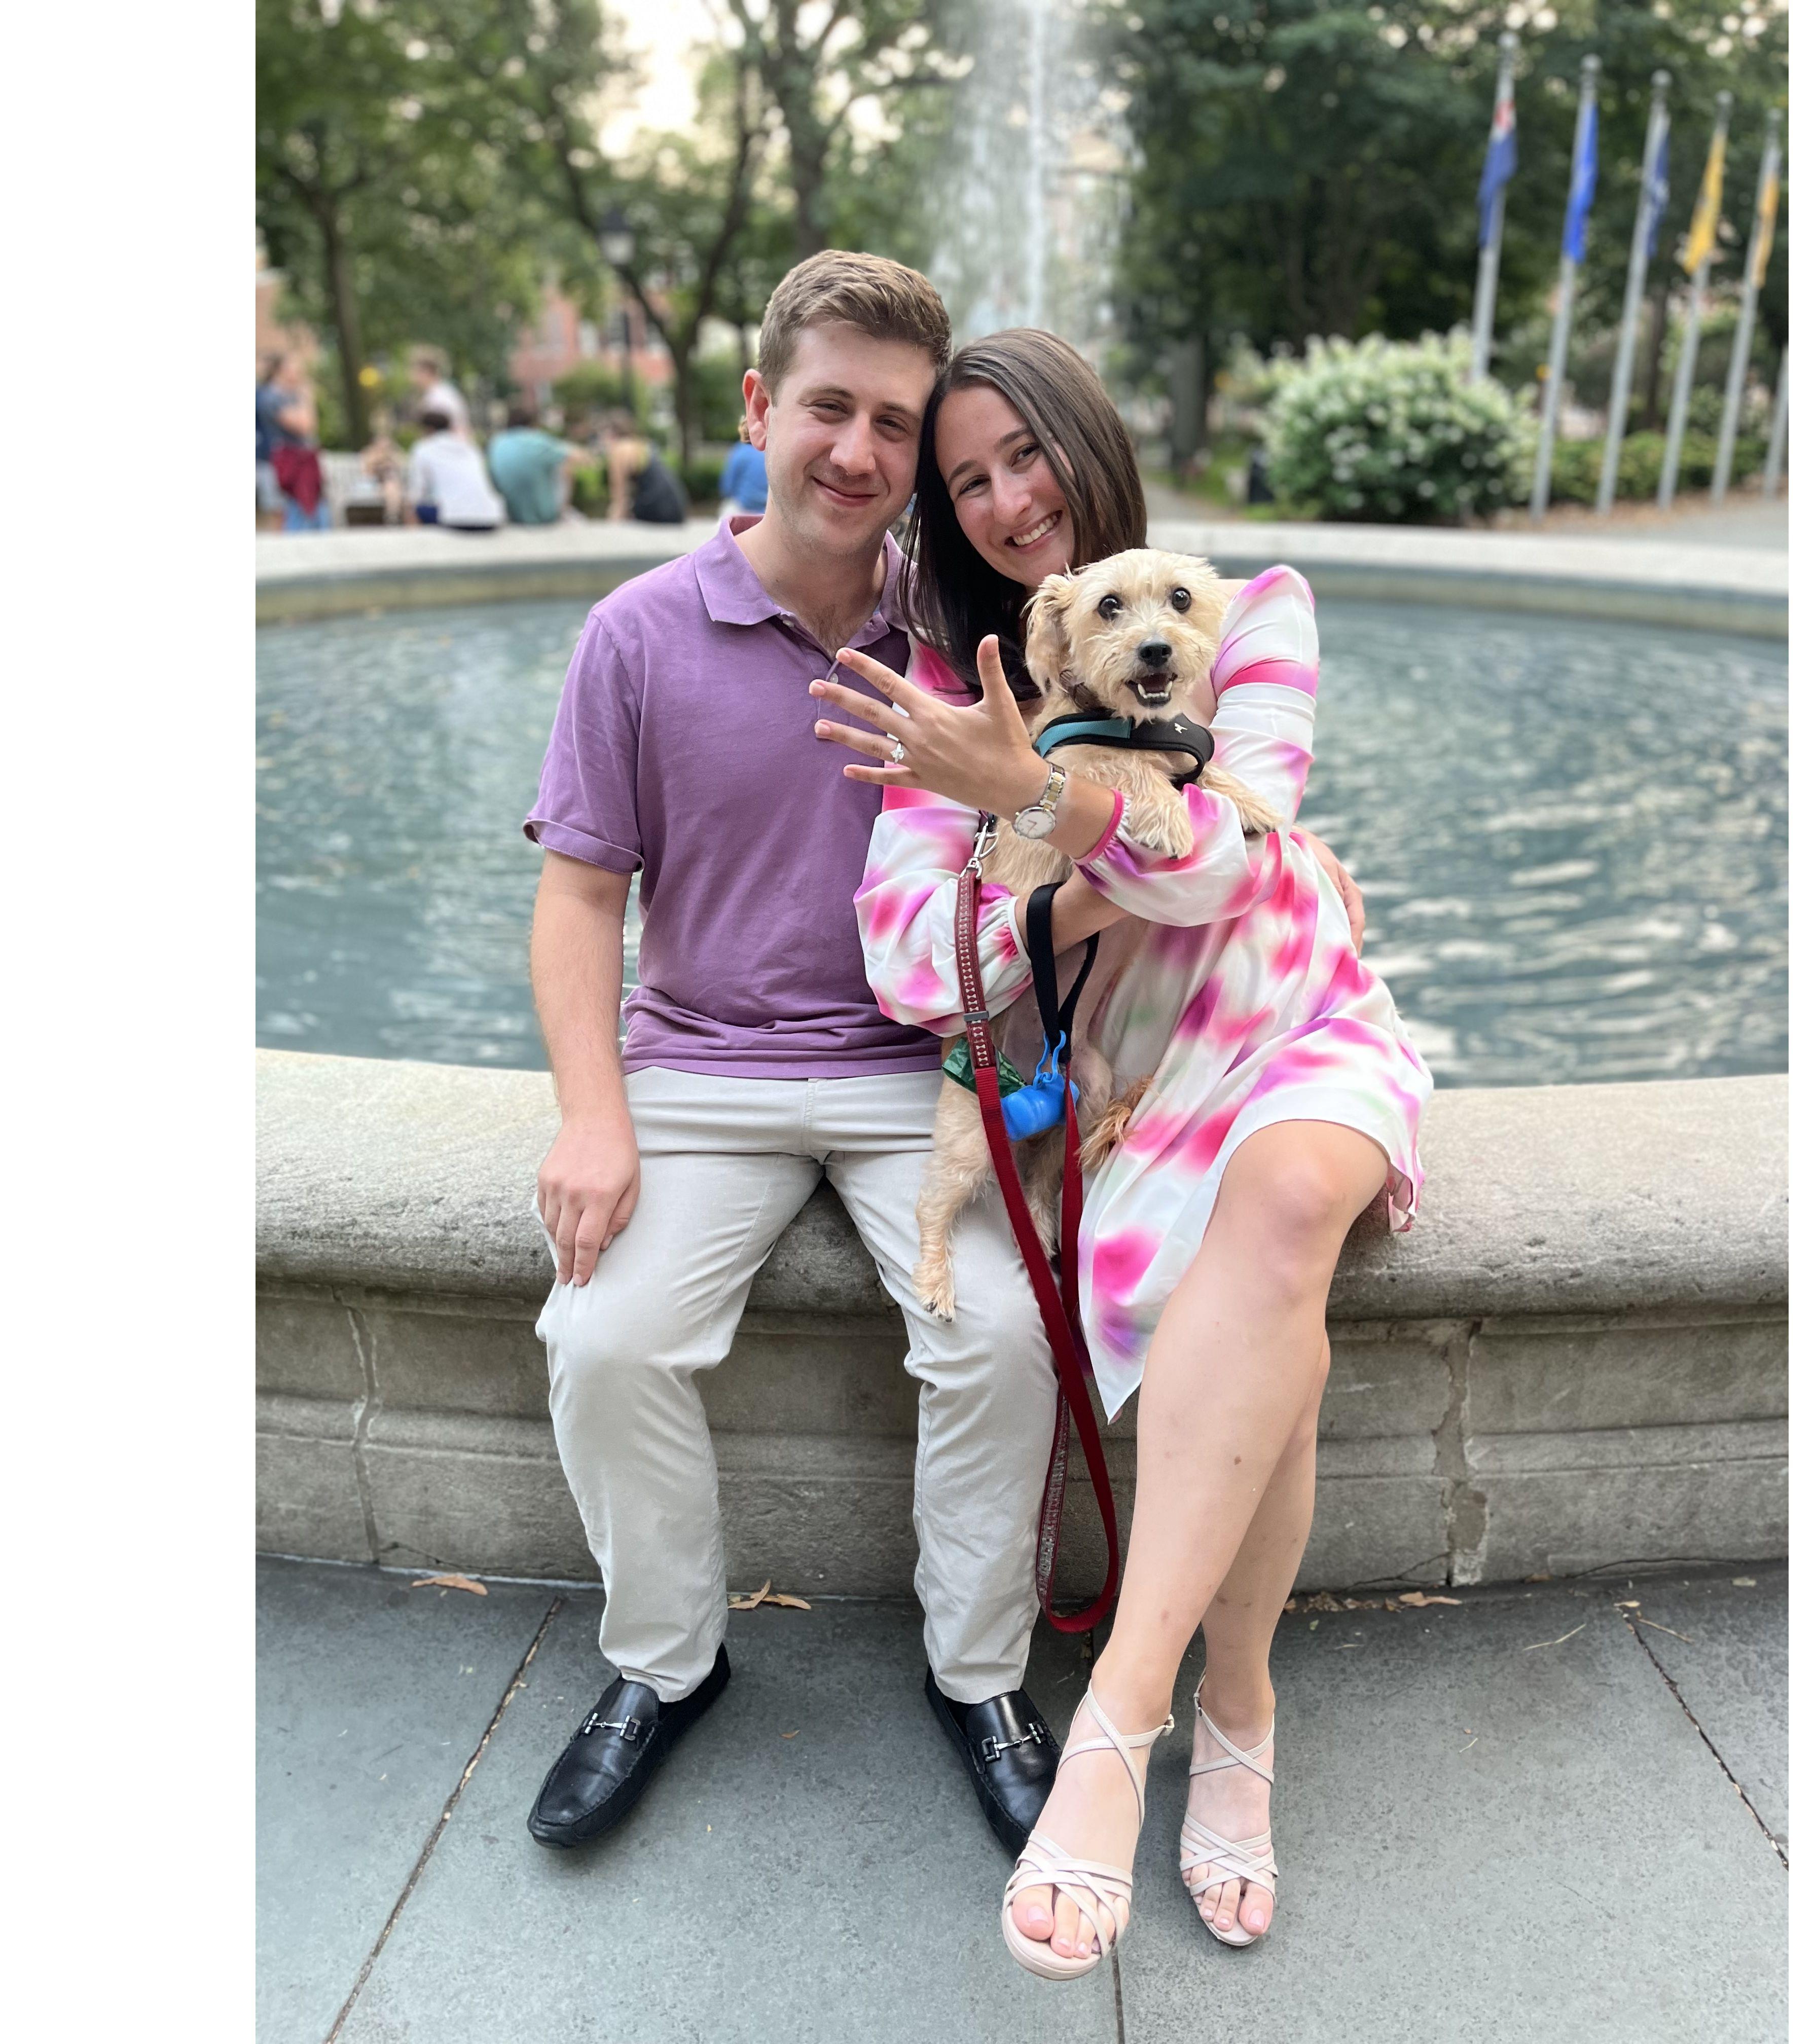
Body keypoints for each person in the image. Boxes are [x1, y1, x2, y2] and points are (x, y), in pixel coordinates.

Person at [811, 327, 1430, 1974]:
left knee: (1294, 1183)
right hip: (1141, 1079)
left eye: (1032, 453)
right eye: (969, 481)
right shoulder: (958, 704)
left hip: (1292, 1015)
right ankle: (1242, 1702)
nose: (1012, 497)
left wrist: (1040, 816)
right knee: (1265, 1256)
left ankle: (1121, 1716)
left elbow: (1240, 856)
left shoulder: (1262, 607)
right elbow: (902, 964)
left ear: (1092, 442)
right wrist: (1066, 844)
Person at [517, 251, 1072, 1859]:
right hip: (698, 1070)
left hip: (924, 1071)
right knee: (602, 1338)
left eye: (897, 424)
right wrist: (592, 1116)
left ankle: (980, 1679)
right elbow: (577, 900)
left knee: (1009, 1347)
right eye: (830, 407)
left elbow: (1069, 839)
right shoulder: (636, 634)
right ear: (762, 407)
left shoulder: (966, 633)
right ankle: (664, 1666)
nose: (860, 452)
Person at [489, 404, 595, 525]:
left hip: (508, 513)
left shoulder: (497, 442)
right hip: (543, 516)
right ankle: (563, 512)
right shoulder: (538, 441)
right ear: (533, 424)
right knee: (564, 465)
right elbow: (579, 456)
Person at [405, 410, 504, 531]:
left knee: (413, 509)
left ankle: (418, 546)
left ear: (428, 429)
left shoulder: (423, 448)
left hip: (455, 518)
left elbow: (416, 493)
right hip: (492, 517)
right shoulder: (470, 447)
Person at [266, 354, 330, 533]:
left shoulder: (292, 395)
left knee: (314, 510)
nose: (299, 374)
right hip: (290, 463)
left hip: (306, 461)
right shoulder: (273, 397)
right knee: (294, 511)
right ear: (281, 371)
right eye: (294, 369)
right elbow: (305, 426)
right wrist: (307, 398)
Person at [600, 411, 687, 524]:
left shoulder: (619, 450)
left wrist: (612, 523)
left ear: (611, 434)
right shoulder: (642, 444)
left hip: (658, 509)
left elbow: (620, 496)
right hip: (677, 508)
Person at [256, 353, 290, 530]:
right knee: (275, 506)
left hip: (275, 456)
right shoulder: (265, 395)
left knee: (278, 506)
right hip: (267, 456)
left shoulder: (270, 393)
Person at [408, 346, 471, 439]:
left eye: (415, 372)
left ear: (426, 372)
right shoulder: (443, 392)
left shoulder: (438, 398)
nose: (412, 378)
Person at [718, 433, 770, 517]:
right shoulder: (769, 452)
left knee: (726, 511)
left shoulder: (740, 451)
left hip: (743, 507)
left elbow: (727, 487)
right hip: (766, 509)